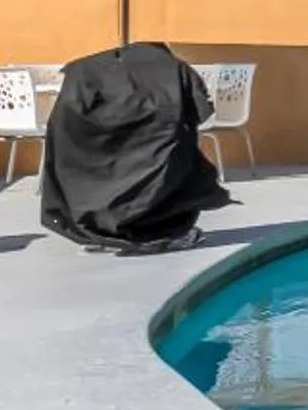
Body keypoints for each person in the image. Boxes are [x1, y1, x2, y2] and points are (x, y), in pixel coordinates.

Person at [37, 43, 234, 253]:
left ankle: (104, 231)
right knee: (179, 160)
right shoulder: (173, 70)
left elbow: (65, 119)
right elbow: (199, 111)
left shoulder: (86, 72)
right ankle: (160, 229)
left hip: (97, 146)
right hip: (159, 140)